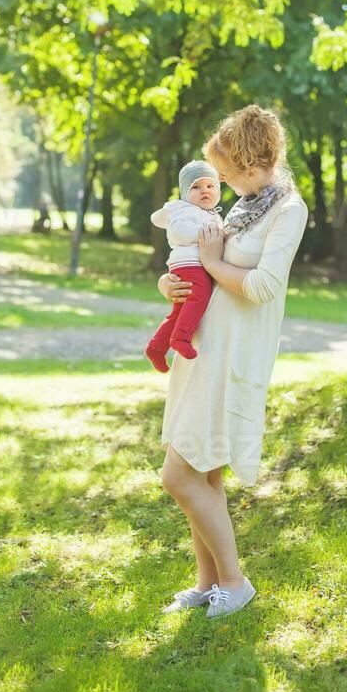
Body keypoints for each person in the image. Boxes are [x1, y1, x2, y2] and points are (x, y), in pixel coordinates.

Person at [157, 104, 309, 619]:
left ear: (251, 160)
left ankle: (235, 581)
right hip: (198, 353)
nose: (220, 181)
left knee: (177, 476)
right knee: (205, 475)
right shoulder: (240, 208)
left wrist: (215, 262)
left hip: (232, 358)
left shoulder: (288, 210)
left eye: (226, 170)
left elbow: (263, 285)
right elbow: (194, 263)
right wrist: (169, 283)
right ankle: (207, 584)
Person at [145, 160, 224, 371]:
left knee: (180, 310)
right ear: (184, 193)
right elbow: (178, 230)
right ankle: (181, 338)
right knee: (199, 295)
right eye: (196, 187)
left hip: (193, 264)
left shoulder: (211, 214)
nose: (204, 191)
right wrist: (203, 236)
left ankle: (157, 346)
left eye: (210, 186)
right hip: (190, 264)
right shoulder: (183, 210)